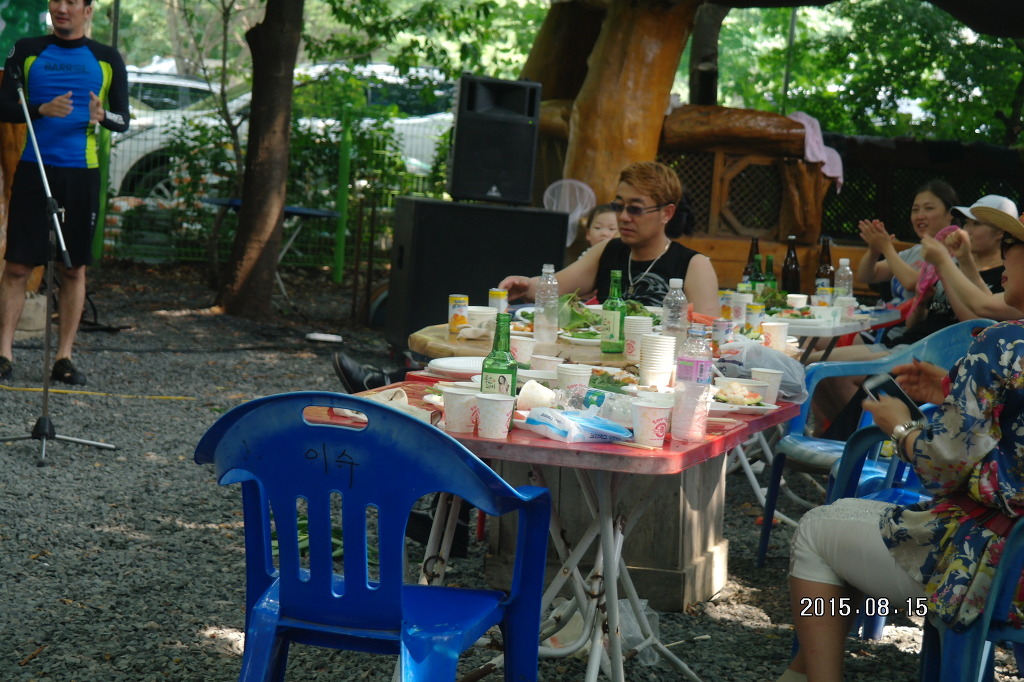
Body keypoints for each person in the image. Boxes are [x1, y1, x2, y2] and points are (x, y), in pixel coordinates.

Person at [777, 214, 1024, 682]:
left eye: (1013, 243)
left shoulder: (1002, 342)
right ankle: (798, 673)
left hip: (988, 569)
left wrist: (902, 427)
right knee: (850, 534)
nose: (1006, 256)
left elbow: (941, 467)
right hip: (1015, 560)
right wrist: (951, 387)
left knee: (815, 530)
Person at [0, 0, 130, 385]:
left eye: (72, 1)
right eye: (56, 0)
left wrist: (103, 116)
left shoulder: (106, 58)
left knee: (73, 268)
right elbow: (4, 106)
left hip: (81, 173)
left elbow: (123, 120)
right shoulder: (27, 50)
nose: (62, 7)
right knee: (18, 266)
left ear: (87, 10)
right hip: (34, 169)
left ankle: (64, 358)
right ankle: (3, 354)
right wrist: (41, 109)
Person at [499, 161, 720, 314]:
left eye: (635, 209)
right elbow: (554, 287)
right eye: (618, 206)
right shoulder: (607, 250)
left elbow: (707, 332)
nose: (623, 217)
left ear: (667, 213)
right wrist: (525, 285)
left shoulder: (694, 265)